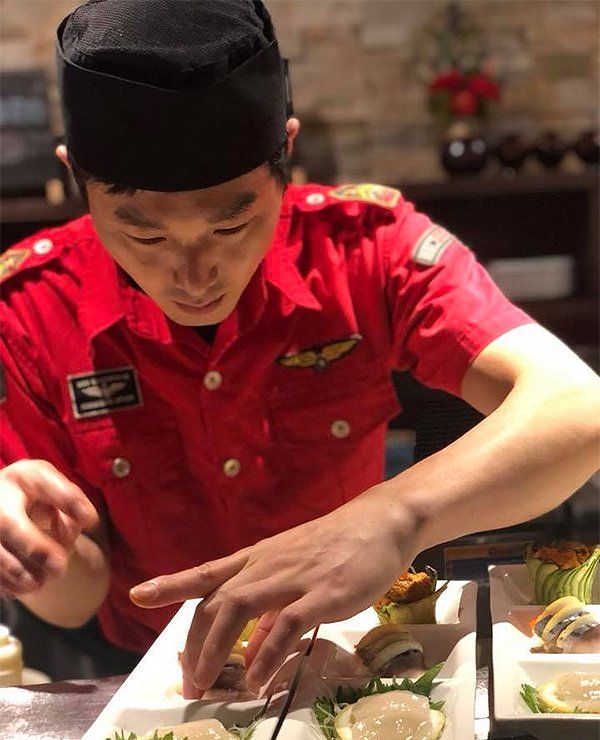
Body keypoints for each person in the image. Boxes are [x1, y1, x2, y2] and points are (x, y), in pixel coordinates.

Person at [0, 0, 598, 698]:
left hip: (345, 663)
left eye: (232, 226)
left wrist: (391, 518)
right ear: (76, 178)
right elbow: (74, 599)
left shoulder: (365, 246)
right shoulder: (29, 304)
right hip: (145, 690)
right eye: (146, 237)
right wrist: (32, 548)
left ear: (286, 153)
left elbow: (577, 406)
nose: (194, 277)